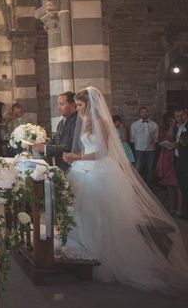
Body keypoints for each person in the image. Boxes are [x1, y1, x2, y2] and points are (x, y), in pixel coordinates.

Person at [62, 87, 188, 294]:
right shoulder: (85, 122)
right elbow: (86, 148)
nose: (78, 109)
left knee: (103, 218)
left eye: (81, 105)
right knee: (83, 215)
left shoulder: (101, 122)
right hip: (84, 169)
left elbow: (102, 153)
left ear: (91, 105)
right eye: (77, 105)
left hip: (100, 172)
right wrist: (74, 157)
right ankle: (83, 255)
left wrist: (78, 158)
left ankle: (103, 257)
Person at [32, 91, 78, 171]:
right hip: (59, 165)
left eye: (62, 104)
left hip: (71, 166)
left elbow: (69, 147)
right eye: (58, 104)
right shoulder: (61, 122)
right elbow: (55, 141)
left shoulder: (77, 121)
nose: (58, 107)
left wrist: (45, 149)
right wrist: (40, 144)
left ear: (73, 104)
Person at [155, 114, 181, 216]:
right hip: (165, 156)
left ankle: (179, 208)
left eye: (172, 121)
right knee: (169, 184)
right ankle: (171, 207)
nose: (171, 123)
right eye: (169, 121)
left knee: (177, 185)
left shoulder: (178, 129)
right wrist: (162, 143)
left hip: (175, 157)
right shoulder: (164, 129)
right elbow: (160, 140)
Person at [130, 106, 158, 184]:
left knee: (150, 167)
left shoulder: (154, 125)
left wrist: (153, 141)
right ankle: (136, 183)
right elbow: (132, 139)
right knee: (138, 166)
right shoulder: (134, 125)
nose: (144, 113)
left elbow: (156, 138)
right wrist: (135, 148)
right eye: (142, 112)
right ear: (139, 114)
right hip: (139, 149)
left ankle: (149, 184)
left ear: (148, 113)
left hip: (151, 149)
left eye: (146, 112)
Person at [175, 108, 188, 217]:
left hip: (186, 161)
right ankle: (183, 211)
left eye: (181, 115)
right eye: (177, 116)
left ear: (186, 114)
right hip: (178, 160)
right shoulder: (177, 127)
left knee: (186, 186)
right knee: (181, 186)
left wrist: (178, 145)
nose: (179, 118)